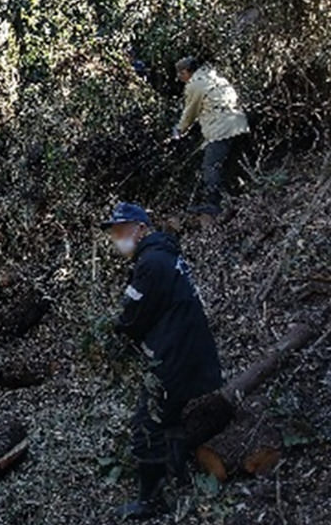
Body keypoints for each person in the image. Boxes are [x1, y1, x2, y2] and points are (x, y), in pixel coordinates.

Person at [100, 202, 223, 519]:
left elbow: (131, 315)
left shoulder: (152, 264)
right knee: (169, 418)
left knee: (146, 424)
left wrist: (116, 334)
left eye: (122, 230)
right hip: (189, 353)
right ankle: (179, 475)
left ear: (142, 229)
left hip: (172, 357)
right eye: (114, 233)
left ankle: (152, 501)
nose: (117, 238)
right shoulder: (168, 256)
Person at [172, 57, 250, 215]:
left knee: (210, 165)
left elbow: (190, 112)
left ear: (186, 72)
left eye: (180, 75)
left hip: (221, 128)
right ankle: (238, 197)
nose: (180, 79)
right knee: (230, 163)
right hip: (238, 123)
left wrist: (179, 130)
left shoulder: (195, 84)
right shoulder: (217, 78)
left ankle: (213, 204)